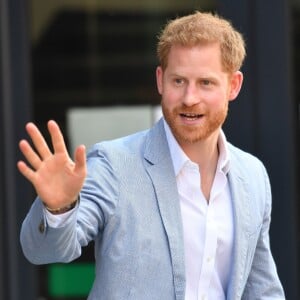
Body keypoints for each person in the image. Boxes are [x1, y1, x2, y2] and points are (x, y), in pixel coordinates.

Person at [18, 11, 285, 300]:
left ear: (233, 85)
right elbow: (45, 251)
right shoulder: (113, 164)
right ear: (160, 80)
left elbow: (262, 289)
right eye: (178, 81)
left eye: (205, 83)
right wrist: (59, 209)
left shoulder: (253, 175)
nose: (189, 98)